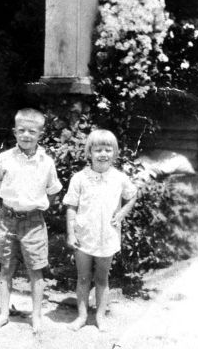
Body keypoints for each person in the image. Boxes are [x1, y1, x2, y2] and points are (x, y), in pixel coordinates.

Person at [0, 108, 62, 333]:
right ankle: (3, 313)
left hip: (34, 222)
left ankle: (36, 316)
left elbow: (53, 190)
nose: (26, 135)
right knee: (5, 268)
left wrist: (37, 208)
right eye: (22, 131)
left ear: (40, 134)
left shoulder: (46, 162)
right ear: (14, 132)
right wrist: (1, 205)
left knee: (36, 270)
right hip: (6, 220)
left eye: (32, 131)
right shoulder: (5, 158)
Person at [63, 129, 137, 332]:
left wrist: (122, 213)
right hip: (83, 236)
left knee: (102, 279)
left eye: (108, 149)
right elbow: (71, 206)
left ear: (114, 153)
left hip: (108, 236)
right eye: (98, 150)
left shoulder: (119, 178)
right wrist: (70, 233)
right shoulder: (79, 178)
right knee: (83, 277)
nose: (103, 154)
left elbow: (132, 195)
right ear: (89, 152)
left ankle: (100, 317)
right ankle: (82, 316)